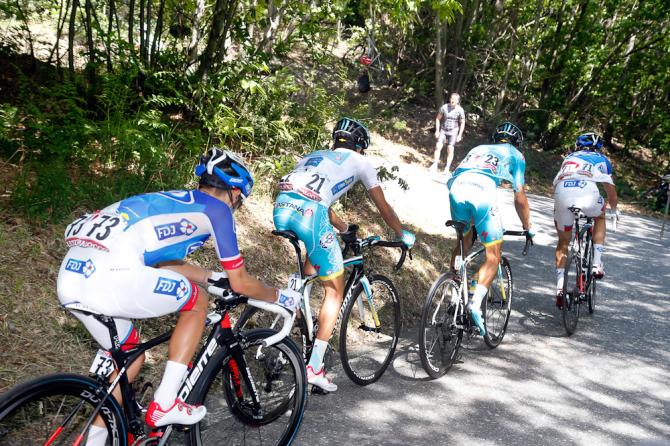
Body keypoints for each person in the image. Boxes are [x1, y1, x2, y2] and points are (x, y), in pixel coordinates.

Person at [57, 148, 302, 445]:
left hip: (72, 277)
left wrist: (209, 276)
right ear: (235, 192)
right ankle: (165, 403)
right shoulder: (217, 209)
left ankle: (93, 442)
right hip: (111, 275)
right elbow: (240, 282)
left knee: (131, 357)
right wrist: (280, 296)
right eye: (240, 199)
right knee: (196, 299)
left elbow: (161, 261)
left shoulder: (171, 201)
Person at [273, 117, 415, 392]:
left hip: (282, 207)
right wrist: (401, 233)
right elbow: (383, 207)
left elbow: (313, 195)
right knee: (334, 291)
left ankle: (290, 307)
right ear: (361, 145)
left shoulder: (315, 156)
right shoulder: (361, 162)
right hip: (311, 215)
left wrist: (343, 227)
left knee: (312, 264)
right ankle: (314, 367)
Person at [446, 122, 533, 335]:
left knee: (464, 241)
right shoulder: (516, 155)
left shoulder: (478, 148)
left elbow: (455, 175)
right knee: (493, 255)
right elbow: (519, 196)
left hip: (457, 188)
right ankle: (474, 304)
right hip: (482, 192)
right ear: (517, 143)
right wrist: (527, 226)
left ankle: (455, 292)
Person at [552, 132, 618, 308]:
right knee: (600, 215)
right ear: (598, 147)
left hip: (562, 193)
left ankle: (560, 288)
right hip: (587, 192)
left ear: (577, 146)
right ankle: (596, 263)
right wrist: (614, 209)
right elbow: (610, 189)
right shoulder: (602, 159)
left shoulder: (569, 157)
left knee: (563, 243)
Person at [431, 92, 466, 176]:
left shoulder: (460, 110)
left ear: (457, 101)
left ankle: (447, 168)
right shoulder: (444, 107)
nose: (453, 101)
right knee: (438, 146)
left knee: (450, 149)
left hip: (453, 131)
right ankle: (435, 165)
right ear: (450, 99)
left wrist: (460, 135)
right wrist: (437, 130)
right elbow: (438, 118)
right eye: (452, 99)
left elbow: (462, 122)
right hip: (443, 129)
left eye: (455, 99)